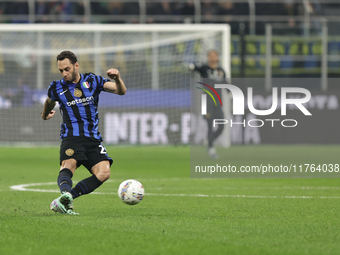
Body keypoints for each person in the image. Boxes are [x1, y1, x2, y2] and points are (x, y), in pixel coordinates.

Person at [41, 51, 126, 215]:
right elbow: (49, 102)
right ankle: (65, 195)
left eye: (67, 69)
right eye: (61, 71)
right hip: (71, 138)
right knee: (68, 165)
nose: (64, 74)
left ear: (76, 66)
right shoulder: (56, 87)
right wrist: (45, 115)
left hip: (93, 139)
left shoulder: (93, 81)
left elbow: (120, 91)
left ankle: (66, 198)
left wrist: (117, 78)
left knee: (104, 172)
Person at [189, 50, 226, 159]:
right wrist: (190, 66)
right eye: (210, 55)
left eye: (214, 55)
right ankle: (211, 148)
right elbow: (195, 68)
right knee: (210, 125)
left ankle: (210, 141)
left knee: (221, 126)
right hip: (207, 102)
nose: (212, 57)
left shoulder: (221, 71)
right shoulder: (205, 69)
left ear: (218, 57)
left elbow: (226, 84)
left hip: (218, 103)